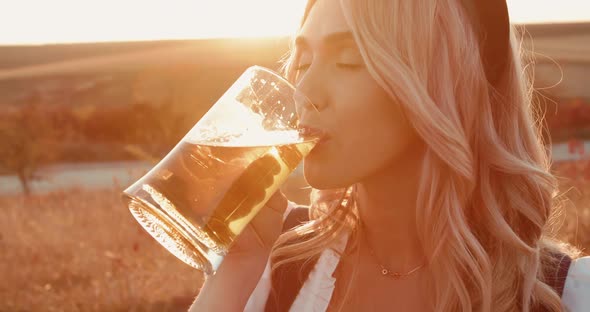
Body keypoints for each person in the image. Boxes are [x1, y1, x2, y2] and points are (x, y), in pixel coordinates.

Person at [190, 0, 590, 311]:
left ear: (440, 84)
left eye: (348, 61)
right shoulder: (275, 266)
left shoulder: (563, 294)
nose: (303, 90)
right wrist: (231, 274)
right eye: (304, 61)